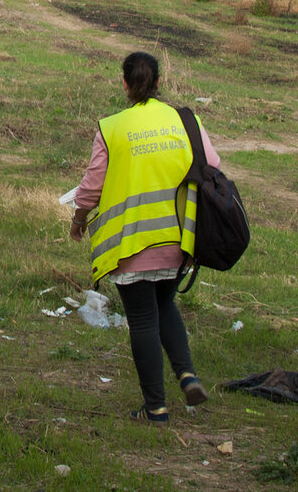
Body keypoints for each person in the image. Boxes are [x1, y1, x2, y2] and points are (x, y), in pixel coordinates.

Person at [69, 51, 217, 424]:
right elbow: (212, 167)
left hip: (133, 246)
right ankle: (187, 375)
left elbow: (90, 189)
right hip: (179, 241)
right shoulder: (185, 120)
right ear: (158, 82)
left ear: (124, 83)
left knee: (143, 319)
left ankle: (156, 407)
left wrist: (78, 219)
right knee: (165, 305)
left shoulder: (113, 128)